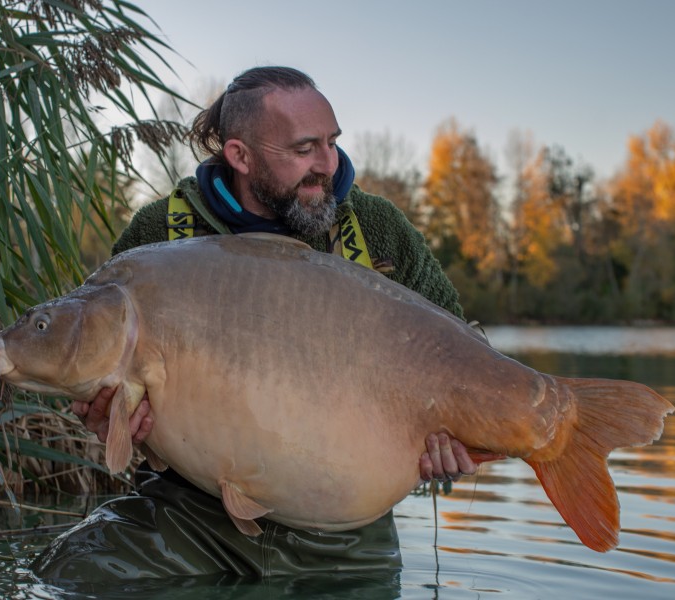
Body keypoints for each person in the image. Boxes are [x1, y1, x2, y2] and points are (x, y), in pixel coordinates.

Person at [32, 66, 477, 583]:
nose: (327, 165)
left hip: (343, 530)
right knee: (68, 575)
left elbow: (465, 347)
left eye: (331, 143)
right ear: (240, 155)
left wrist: (459, 435)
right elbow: (107, 380)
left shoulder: (377, 229)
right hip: (192, 515)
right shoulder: (158, 233)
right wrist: (110, 417)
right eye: (304, 149)